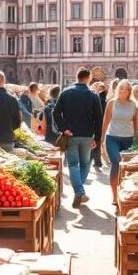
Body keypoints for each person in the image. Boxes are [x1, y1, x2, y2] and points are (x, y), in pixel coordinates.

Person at [52, 68, 103, 207]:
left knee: (73, 164)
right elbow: (99, 119)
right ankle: (79, 191)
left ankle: (79, 191)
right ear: (89, 78)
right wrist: (97, 138)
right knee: (86, 163)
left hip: (71, 135)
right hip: (87, 136)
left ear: (77, 77)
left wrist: (63, 129)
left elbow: (55, 112)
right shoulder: (93, 95)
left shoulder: (66, 93)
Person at [101, 80, 138, 200]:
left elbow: (135, 121)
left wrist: (135, 136)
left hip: (128, 139)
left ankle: (124, 193)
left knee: (126, 166)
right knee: (116, 163)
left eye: (127, 88)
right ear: (118, 89)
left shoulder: (133, 104)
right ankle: (114, 195)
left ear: (130, 91)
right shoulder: (112, 103)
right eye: (122, 88)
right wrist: (102, 137)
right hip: (112, 137)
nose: (125, 90)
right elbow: (106, 120)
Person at [91, 82, 107, 169]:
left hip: (98, 123)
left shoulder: (98, 98)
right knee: (98, 142)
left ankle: (97, 161)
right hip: (104, 122)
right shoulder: (106, 98)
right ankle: (98, 161)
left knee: (96, 142)